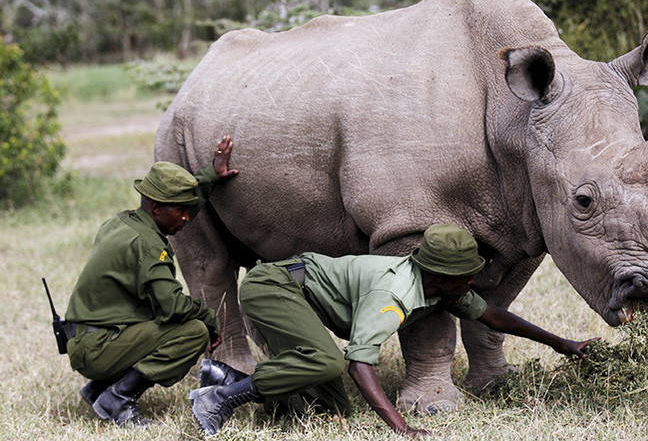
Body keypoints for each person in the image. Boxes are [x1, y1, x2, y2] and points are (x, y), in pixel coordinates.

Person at [191, 223, 598, 436]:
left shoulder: (441, 289)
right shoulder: (395, 295)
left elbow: (490, 315)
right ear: (440, 275)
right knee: (328, 363)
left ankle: (224, 377)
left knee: (330, 414)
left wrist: (561, 343)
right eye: (465, 276)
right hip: (275, 287)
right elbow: (358, 364)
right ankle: (220, 398)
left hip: (301, 294)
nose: (471, 282)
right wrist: (401, 428)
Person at [64, 135, 239, 428]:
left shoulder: (123, 221)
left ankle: (97, 388)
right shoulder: (148, 246)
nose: (185, 218)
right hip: (98, 348)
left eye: (187, 209)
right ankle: (118, 397)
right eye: (179, 211)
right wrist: (209, 319)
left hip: (86, 339)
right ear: (156, 208)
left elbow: (177, 207)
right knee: (193, 331)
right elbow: (172, 306)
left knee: (153, 316)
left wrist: (210, 176)